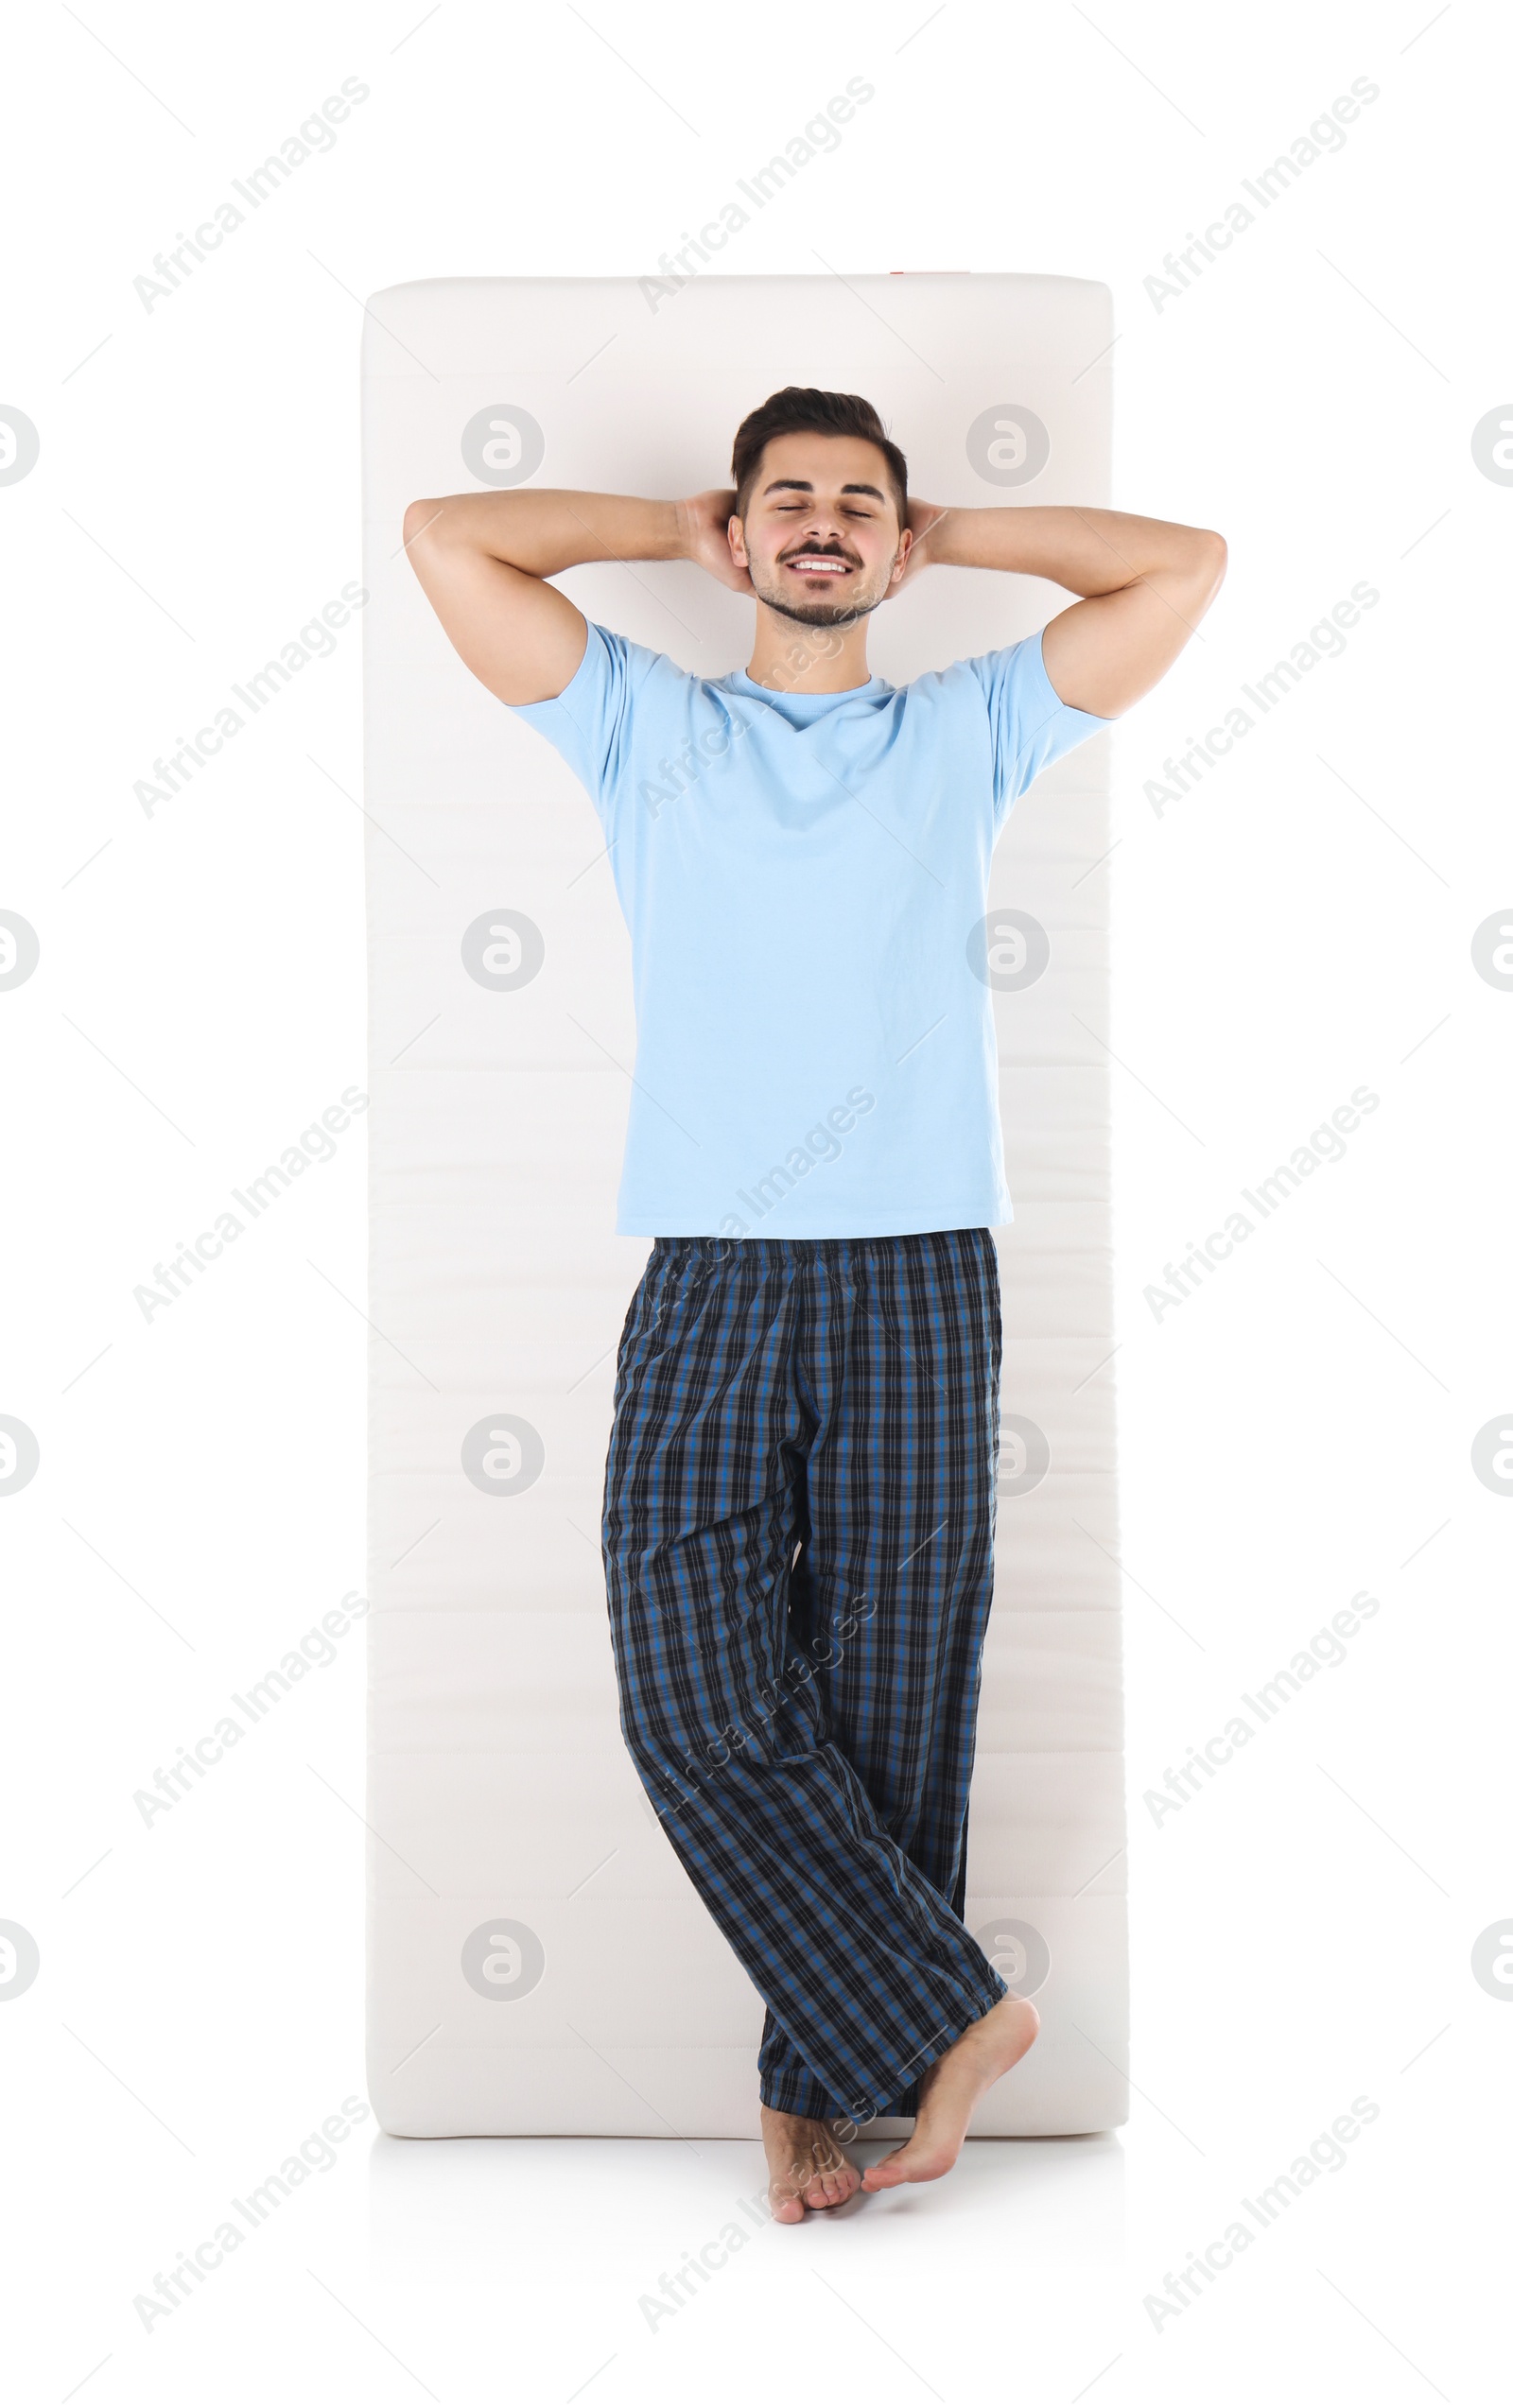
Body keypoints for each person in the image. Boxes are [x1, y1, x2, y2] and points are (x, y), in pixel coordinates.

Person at [403, 387, 1226, 2221]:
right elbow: (448, 540)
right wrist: (666, 525)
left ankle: (846, 2090)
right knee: (688, 1685)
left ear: (894, 535)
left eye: (859, 500)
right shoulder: (641, 723)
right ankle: (939, 2017)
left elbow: (1183, 567)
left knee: (884, 1695)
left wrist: (963, 543)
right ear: (742, 526)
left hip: (924, 1256)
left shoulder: (963, 726)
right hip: (708, 1257)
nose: (824, 524)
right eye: (791, 500)